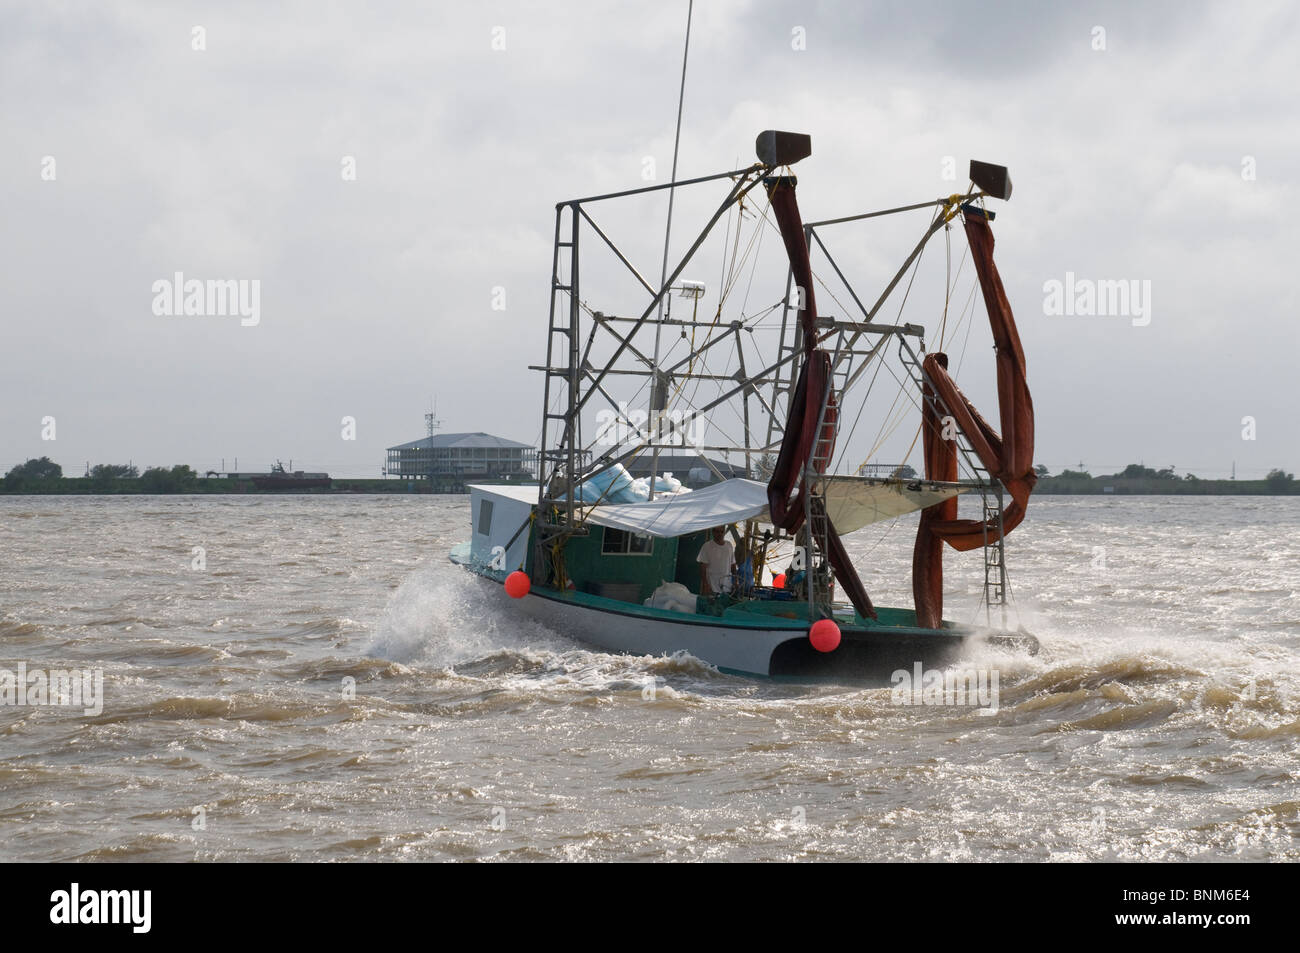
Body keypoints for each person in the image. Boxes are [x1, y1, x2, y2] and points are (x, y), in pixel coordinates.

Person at [696, 525, 736, 596]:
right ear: (713, 532)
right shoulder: (707, 546)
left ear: (724, 532)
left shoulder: (729, 545)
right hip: (712, 587)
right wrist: (705, 584)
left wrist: (736, 581)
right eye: (717, 532)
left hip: (726, 587)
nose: (720, 534)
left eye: (722, 532)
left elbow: (733, 565)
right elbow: (703, 567)